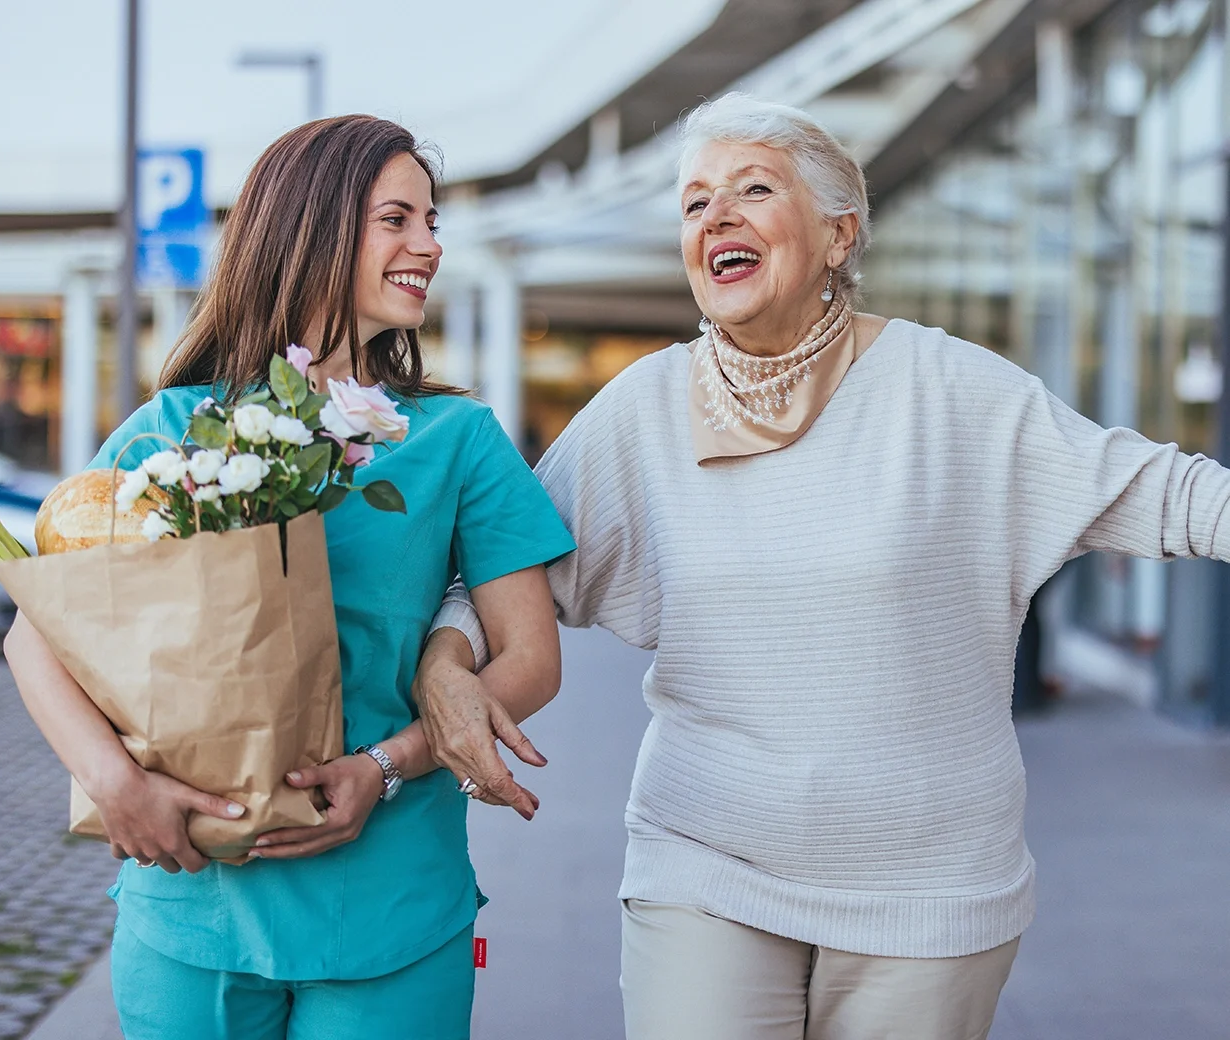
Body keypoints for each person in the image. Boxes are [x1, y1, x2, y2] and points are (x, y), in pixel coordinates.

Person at [413, 92, 1230, 1040]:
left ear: (839, 234)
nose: (715, 216)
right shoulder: (642, 409)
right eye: (693, 202)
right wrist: (445, 658)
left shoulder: (949, 388)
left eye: (753, 188)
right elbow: (507, 571)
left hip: (927, 888)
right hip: (705, 859)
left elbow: (1173, 495)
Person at [2, 115, 574, 1040]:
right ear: (314, 229)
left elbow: (530, 658)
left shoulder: (455, 440)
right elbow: (38, 632)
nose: (428, 244)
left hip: (390, 903)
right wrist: (114, 784)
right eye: (399, 219)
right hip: (190, 897)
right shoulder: (174, 428)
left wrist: (386, 768)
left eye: (432, 223)